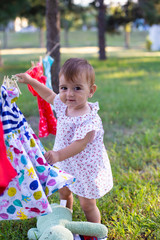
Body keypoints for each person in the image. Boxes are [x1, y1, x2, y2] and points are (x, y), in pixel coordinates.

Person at [17, 58, 113, 223]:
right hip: (66, 163)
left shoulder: (90, 120)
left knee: (87, 203)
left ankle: (96, 232)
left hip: (86, 167)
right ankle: (63, 218)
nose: (69, 94)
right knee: (64, 191)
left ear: (91, 90)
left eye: (77, 88)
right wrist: (31, 81)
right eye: (64, 88)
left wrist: (58, 155)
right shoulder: (64, 105)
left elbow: (79, 145)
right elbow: (48, 94)